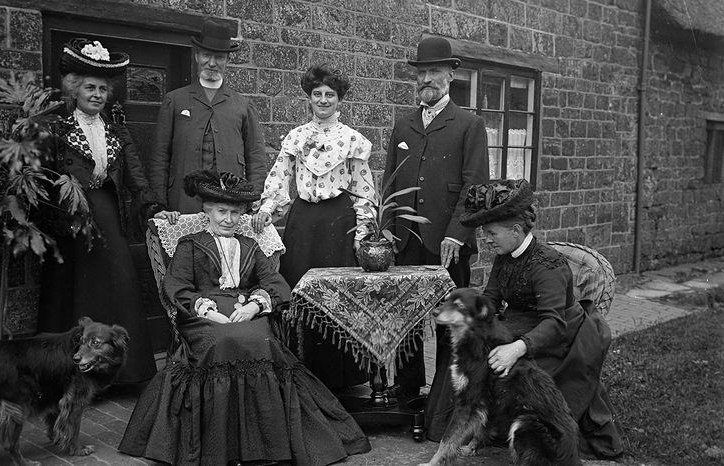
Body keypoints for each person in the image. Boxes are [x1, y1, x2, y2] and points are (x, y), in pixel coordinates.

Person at [119, 170, 371, 466]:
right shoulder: (190, 244)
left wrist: (255, 305)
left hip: (246, 309)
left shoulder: (250, 246)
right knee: (223, 340)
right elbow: (176, 286)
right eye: (221, 212)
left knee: (261, 340)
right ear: (207, 211)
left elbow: (275, 283)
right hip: (202, 315)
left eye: (234, 213)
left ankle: (266, 443)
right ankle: (221, 445)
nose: (228, 219)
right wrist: (206, 309)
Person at [425, 179, 624, 459]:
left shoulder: (548, 264)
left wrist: (515, 348)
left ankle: (491, 427)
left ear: (516, 230)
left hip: (559, 336)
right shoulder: (503, 256)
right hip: (517, 324)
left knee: (504, 369)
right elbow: (491, 301)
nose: (487, 239)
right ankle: (451, 430)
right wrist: (470, 328)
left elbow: (555, 323)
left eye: (492, 233)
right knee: (467, 355)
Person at [37, 38, 176, 385]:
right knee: (73, 291)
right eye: (89, 87)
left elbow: (136, 176)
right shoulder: (58, 129)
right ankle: (69, 375)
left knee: (120, 282)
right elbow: (44, 177)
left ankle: (124, 374)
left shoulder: (115, 131)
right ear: (74, 89)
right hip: (70, 220)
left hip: (109, 215)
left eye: (102, 88)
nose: (97, 94)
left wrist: (153, 208)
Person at [251, 64, 376, 388]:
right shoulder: (296, 137)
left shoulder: (352, 140)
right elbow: (279, 179)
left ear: (339, 100)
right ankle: (301, 371)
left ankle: (341, 376)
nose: (323, 100)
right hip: (304, 223)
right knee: (300, 293)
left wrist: (363, 233)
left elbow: (363, 190)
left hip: (338, 223)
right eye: (317, 94)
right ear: (309, 98)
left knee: (337, 296)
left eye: (329, 95)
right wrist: (267, 208)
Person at [383, 36, 489, 398]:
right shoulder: (404, 125)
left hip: (448, 244)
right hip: (405, 240)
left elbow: (476, 188)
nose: (427, 78)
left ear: (450, 75)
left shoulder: (469, 125)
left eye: (435, 71)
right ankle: (409, 392)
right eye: (422, 72)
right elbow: (389, 182)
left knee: (450, 322)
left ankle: (445, 400)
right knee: (406, 320)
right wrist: (386, 231)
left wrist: (457, 234)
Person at [148, 18, 269, 215]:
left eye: (219, 57)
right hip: (183, 201)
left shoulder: (243, 105)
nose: (211, 63)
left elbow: (255, 157)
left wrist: (253, 200)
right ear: (196, 56)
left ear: (227, 61)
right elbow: (160, 157)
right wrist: (159, 204)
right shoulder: (175, 100)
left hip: (229, 202)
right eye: (206, 55)